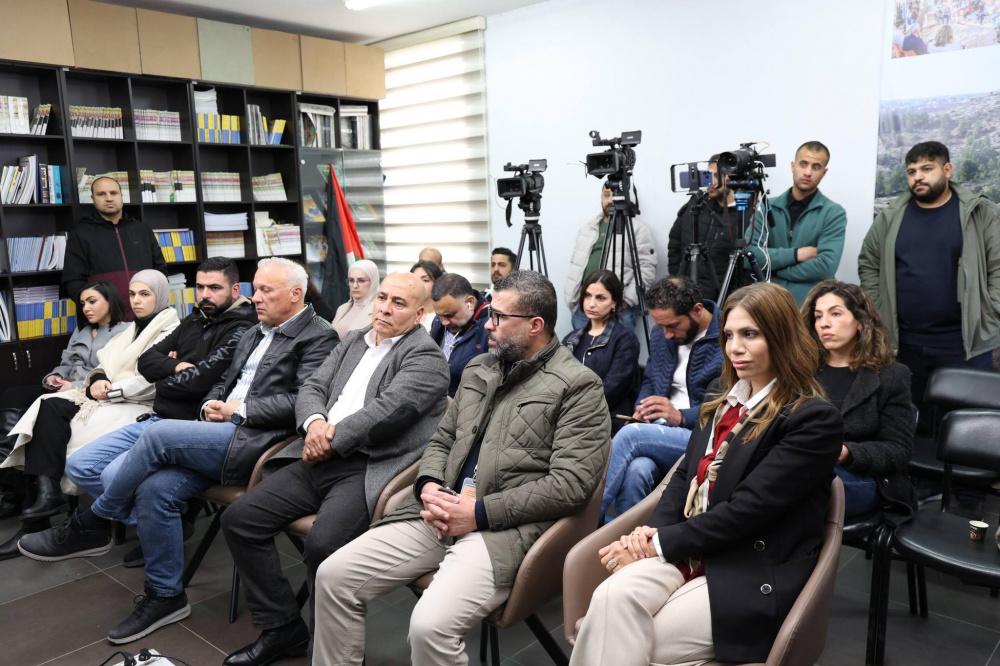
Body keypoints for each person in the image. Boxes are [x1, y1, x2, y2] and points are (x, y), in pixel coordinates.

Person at [17, 258, 338, 646]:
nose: (256, 297)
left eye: (266, 290)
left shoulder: (320, 337)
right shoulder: (256, 331)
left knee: (158, 434)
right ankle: (166, 596)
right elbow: (222, 380)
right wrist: (211, 405)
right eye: (255, 288)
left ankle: (94, 522)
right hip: (218, 431)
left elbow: (304, 400)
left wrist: (239, 410)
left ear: (296, 294)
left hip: (258, 442)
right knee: (155, 491)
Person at [310, 270, 610, 666]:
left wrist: (478, 513)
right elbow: (441, 441)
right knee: (333, 576)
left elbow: (570, 485)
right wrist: (428, 485)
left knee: (429, 627)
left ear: (535, 325)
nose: (487, 324)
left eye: (499, 317)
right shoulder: (479, 369)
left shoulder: (578, 386)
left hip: (504, 529)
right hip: (437, 512)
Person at [569, 282, 842, 666]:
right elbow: (683, 478)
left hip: (749, 565)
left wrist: (657, 543)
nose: (735, 348)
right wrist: (649, 536)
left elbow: (746, 512)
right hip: (693, 547)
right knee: (610, 599)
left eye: (750, 334)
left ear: (781, 336)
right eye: (729, 335)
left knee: (627, 635)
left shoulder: (812, 418)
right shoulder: (720, 398)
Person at [219, 272, 450, 666]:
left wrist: (329, 438)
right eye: (382, 298)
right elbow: (313, 387)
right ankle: (282, 628)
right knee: (240, 519)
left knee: (323, 546)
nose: (384, 308)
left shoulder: (426, 357)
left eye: (398, 303)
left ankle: (327, 650)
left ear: (419, 314)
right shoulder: (355, 339)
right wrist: (314, 425)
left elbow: (385, 415)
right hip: (316, 453)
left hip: (367, 464)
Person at [63, 257, 257, 566]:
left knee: (113, 475)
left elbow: (200, 382)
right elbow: (145, 361)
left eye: (214, 288)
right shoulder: (194, 318)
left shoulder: (243, 327)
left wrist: (164, 378)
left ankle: (145, 528)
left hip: (189, 425)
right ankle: (162, 526)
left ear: (235, 290)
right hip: (157, 417)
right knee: (79, 465)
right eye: (200, 287)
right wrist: (176, 366)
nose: (205, 294)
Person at [2, 270, 179, 522]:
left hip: (136, 404)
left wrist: (104, 388)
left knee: (47, 419)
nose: (136, 300)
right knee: (42, 405)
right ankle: (40, 497)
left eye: (144, 294)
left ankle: (47, 505)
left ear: (160, 295)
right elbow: (102, 364)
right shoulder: (133, 329)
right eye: (132, 294)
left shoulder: (170, 331)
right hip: (104, 394)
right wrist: (95, 379)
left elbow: (154, 380)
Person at [858, 140, 1000, 427]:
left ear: (947, 170)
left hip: (966, 344)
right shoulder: (891, 216)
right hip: (904, 344)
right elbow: (869, 262)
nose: (918, 177)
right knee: (907, 425)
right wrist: (879, 309)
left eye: (927, 169)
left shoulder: (979, 212)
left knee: (966, 427)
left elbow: (997, 266)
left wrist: (990, 312)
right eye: (911, 172)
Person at [0, 282, 128, 559]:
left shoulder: (125, 332)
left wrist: (75, 385)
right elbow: (65, 363)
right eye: (83, 303)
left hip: (90, 395)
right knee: (11, 397)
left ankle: (31, 503)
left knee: (41, 414)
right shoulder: (81, 331)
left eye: (92, 301)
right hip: (65, 390)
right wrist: (54, 377)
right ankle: (20, 489)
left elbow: (114, 375)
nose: (86, 308)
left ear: (110, 300)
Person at [601, 276, 722, 520]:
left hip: (701, 434)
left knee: (630, 435)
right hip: (660, 428)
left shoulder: (726, 339)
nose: (666, 334)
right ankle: (616, 537)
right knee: (638, 470)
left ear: (697, 310)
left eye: (672, 326)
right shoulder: (661, 334)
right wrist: (643, 407)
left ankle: (582, 522)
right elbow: (650, 379)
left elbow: (725, 404)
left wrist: (681, 416)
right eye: (661, 326)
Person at [803, 280, 917, 517]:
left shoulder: (892, 375)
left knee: (796, 487)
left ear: (860, 322)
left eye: (835, 313)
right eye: (818, 316)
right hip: (802, 464)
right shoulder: (804, 370)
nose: (824, 323)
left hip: (859, 475)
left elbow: (898, 450)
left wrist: (847, 452)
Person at [745, 141, 847, 304]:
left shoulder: (833, 213)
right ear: (793, 166)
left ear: (824, 172)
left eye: (816, 167)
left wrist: (775, 270)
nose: (808, 172)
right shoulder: (766, 207)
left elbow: (826, 267)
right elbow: (749, 256)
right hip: (769, 304)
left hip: (810, 307)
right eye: (803, 164)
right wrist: (796, 254)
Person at [60, 176, 166, 314]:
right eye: (101, 194)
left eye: (113, 193)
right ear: (93, 198)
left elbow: (160, 271)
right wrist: (96, 308)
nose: (109, 198)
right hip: (105, 318)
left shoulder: (142, 229)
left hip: (146, 314)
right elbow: (73, 281)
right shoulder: (80, 233)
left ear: (121, 196)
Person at [566, 185, 658, 330]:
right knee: (581, 344)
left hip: (619, 310)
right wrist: (574, 298)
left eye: (615, 195)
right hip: (584, 307)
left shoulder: (637, 230)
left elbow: (646, 269)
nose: (610, 200)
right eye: (606, 195)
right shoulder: (588, 228)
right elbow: (576, 264)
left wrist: (626, 301)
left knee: (620, 345)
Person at [562, 270, 640, 423]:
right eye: (587, 295)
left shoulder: (625, 340)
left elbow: (613, 389)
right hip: (569, 416)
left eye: (600, 298)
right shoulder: (571, 339)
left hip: (605, 419)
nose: (591, 303)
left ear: (614, 303)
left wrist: (573, 408)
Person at [667, 155, 740, 300]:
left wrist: (732, 298)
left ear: (732, 178)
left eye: (716, 176)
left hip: (722, 298)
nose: (710, 182)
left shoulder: (745, 215)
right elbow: (675, 243)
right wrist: (677, 280)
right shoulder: (695, 204)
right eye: (707, 175)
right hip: (685, 294)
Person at [430, 273, 489, 397]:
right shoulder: (440, 319)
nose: (444, 322)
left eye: (449, 315)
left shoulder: (491, 327)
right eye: (438, 315)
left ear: (470, 302)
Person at [331, 259, 380, 339]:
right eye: (351, 280)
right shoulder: (342, 309)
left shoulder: (379, 311)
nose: (355, 286)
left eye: (361, 281)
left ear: (373, 282)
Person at [411, 259, 444, 331]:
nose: (419, 284)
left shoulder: (443, 317)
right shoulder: (405, 313)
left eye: (425, 280)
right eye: (415, 280)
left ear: (437, 283)